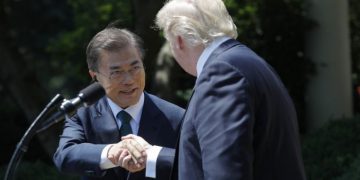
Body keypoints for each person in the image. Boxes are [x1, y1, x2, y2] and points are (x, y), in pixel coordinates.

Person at [123, 0, 307, 179]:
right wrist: (153, 154)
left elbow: (225, 170)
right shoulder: (246, 62)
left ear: (178, 40)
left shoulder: (221, 74)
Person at [53, 26, 185, 180]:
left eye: (135, 68)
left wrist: (152, 157)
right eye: (116, 72)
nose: (129, 80)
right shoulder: (82, 114)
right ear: (95, 76)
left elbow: (195, 163)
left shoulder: (176, 117)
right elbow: (65, 155)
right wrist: (111, 153)